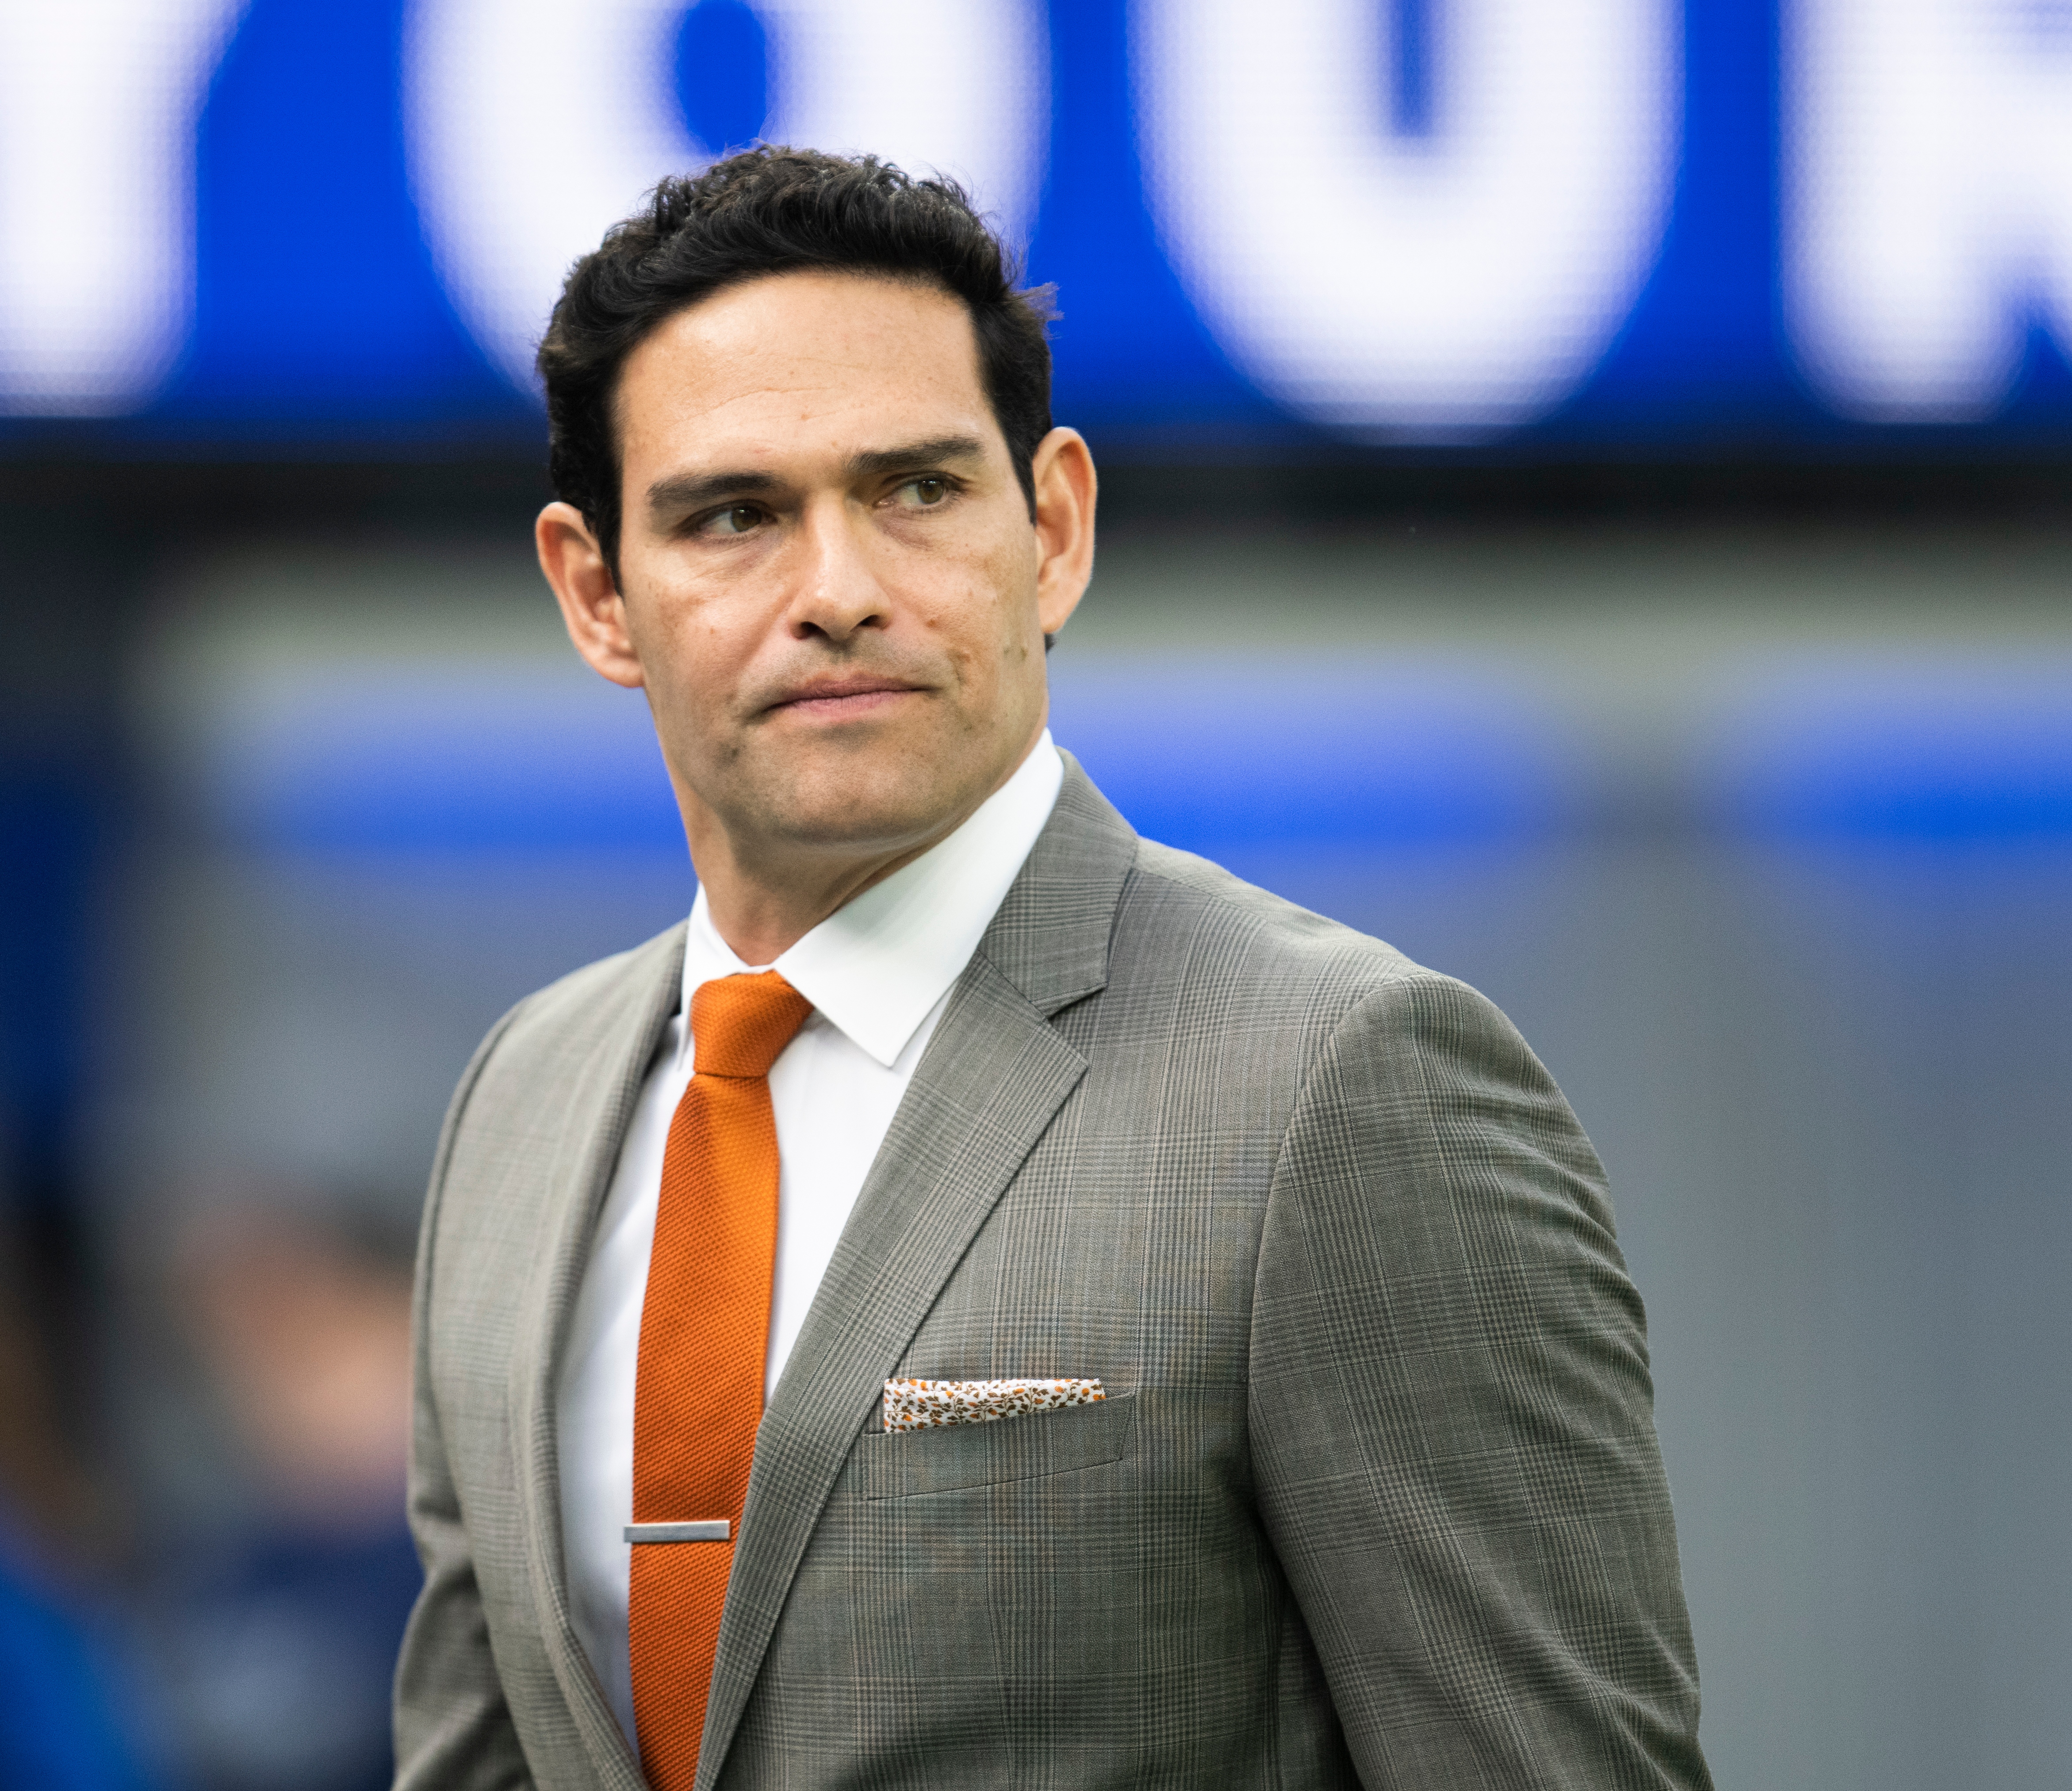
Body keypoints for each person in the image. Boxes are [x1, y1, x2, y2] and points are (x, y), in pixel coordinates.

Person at [393, 146, 1712, 1791]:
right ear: (597, 595)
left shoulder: (1339, 1082)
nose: (840, 592)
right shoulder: (522, 1103)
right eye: (736, 515)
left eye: (917, 490)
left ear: (1057, 527)